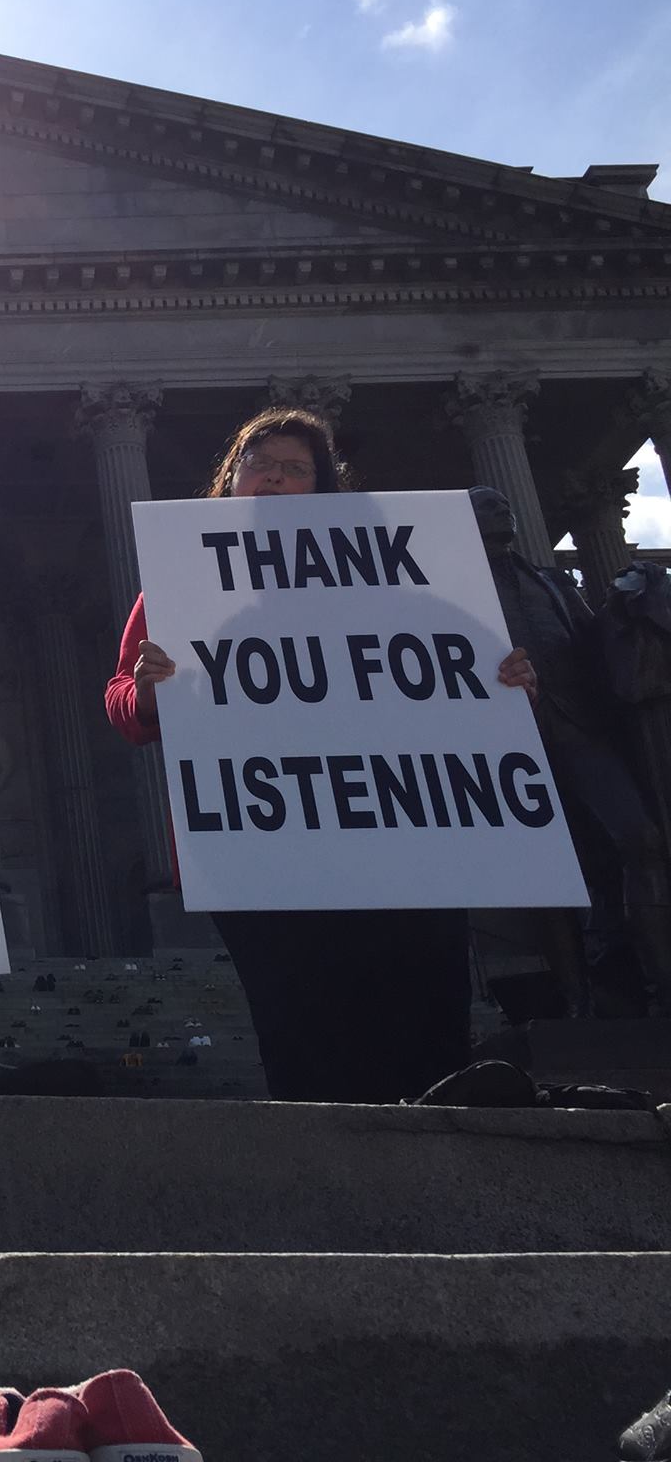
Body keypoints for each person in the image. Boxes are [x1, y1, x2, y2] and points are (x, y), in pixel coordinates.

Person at [103, 407, 537, 1103]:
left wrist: (505, 686)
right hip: (264, 842)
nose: (274, 477)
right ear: (232, 478)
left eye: (295, 468)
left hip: (397, 834)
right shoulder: (182, 578)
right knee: (303, 1032)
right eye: (258, 463)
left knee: (426, 1030)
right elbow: (124, 703)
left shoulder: (388, 578)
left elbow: (450, 673)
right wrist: (150, 693)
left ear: (321, 488)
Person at [473, 484, 670, 1015]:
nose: (501, 508)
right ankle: (576, 998)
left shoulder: (551, 582)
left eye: (503, 503)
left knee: (641, 839)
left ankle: (657, 977)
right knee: (544, 866)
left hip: (579, 724)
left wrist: (633, 601)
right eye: (485, 503)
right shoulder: (451, 586)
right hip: (505, 739)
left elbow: (595, 644)